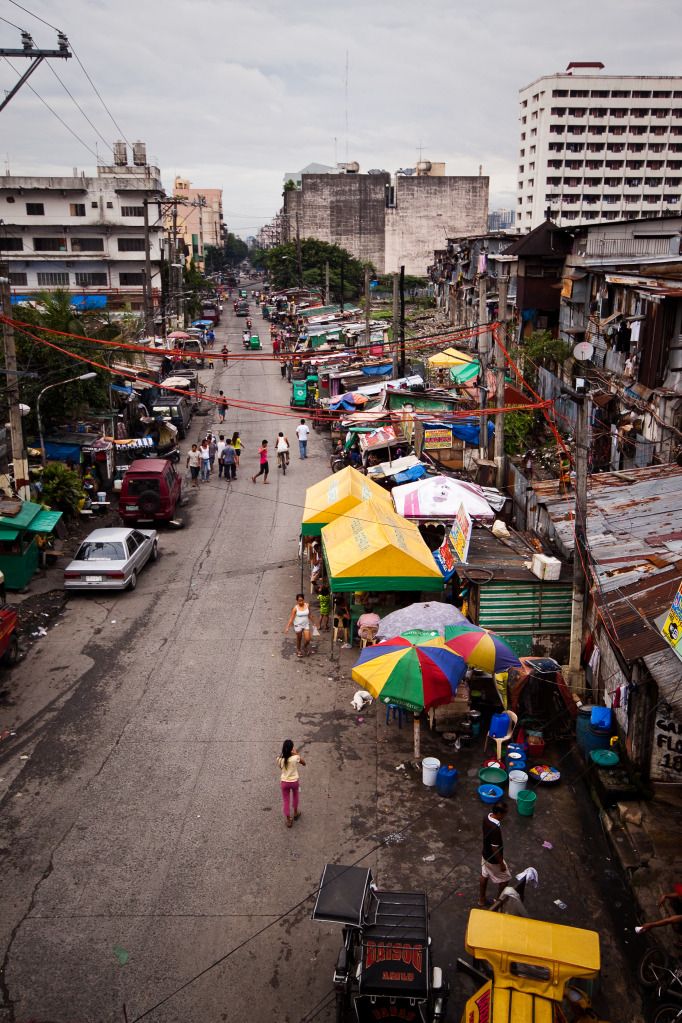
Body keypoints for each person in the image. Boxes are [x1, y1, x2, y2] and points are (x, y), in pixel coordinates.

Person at [480, 801, 512, 907]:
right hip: (493, 860)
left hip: (485, 854)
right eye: (504, 814)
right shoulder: (495, 829)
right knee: (505, 878)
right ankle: (497, 902)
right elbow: (495, 848)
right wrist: (501, 863)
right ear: (498, 813)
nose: (504, 816)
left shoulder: (486, 817)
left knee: (484, 875)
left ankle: (481, 899)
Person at [276, 739, 306, 828]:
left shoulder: (279, 759)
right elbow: (304, 763)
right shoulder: (295, 758)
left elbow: (282, 769)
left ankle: (289, 820)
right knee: (296, 796)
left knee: (286, 800)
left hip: (284, 783)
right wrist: (296, 753)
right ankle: (296, 813)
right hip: (294, 782)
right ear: (291, 749)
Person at [285, 593, 312, 658]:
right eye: (299, 600)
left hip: (306, 625)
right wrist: (287, 627)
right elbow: (291, 618)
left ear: (304, 600)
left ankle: (304, 647)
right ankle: (298, 650)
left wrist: (315, 622)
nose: (301, 602)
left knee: (308, 639)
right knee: (299, 639)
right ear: (297, 601)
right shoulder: (295, 608)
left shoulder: (307, 605)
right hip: (298, 625)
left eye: (302, 600)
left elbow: (309, 615)